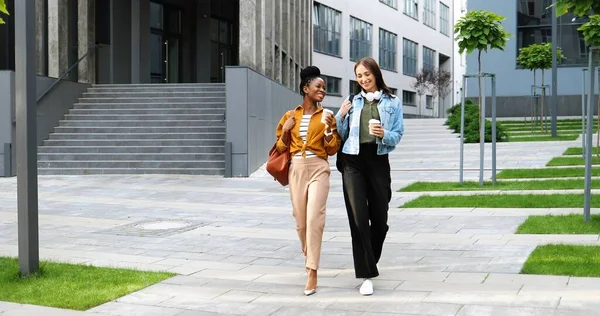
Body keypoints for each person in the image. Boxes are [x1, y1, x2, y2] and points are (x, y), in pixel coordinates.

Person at [335, 57, 404, 296]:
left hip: (378, 161)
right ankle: (366, 274)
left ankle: (369, 261)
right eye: (359, 76)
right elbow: (340, 134)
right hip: (352, 160)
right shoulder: (351, 101)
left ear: (375, 74)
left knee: (380, 220)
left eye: (367, 74)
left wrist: (384, 133)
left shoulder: (392, 102)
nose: (363, 79)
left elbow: (398, 134)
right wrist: (340, 116)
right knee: (359, 218)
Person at [275, 66, 341, 296]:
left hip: (319, 168)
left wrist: (329, 133)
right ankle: (309, 255)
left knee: (315, 219)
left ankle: (312, 270)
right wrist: (286, 132)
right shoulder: (289, 116)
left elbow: (332, 150)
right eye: (318, 86)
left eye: (324, 87)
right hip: (296, 169)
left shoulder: (327, 116)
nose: (322, 90)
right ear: (306, 89)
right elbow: (280, 147)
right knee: (301, 222)